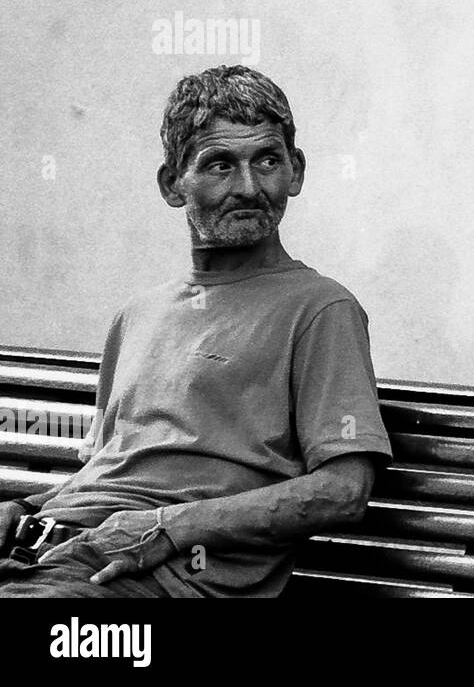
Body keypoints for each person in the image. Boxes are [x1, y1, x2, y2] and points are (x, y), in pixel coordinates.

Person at [0, 65, 392, 597]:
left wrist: (170, 528)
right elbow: (117, 469)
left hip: (151, 578)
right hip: (48, 554)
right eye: (220, 166)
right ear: (171, 185)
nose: (249, 187)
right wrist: (23, 509)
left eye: (268, 161)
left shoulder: (320, 308)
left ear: (296, 172)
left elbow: (343, 491)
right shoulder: (137, 314)